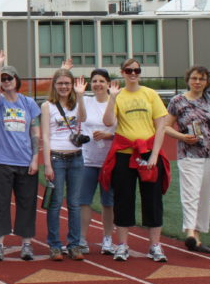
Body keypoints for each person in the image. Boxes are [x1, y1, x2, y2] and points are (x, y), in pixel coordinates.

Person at [165, 22, 210, 253]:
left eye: (202, 79)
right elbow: (165, 128)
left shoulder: (209, 96)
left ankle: (199, 236)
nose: (198, 82)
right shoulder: (178, 101)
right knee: (190, 194)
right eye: (194, 78)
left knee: (205, 195)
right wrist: (183, 137)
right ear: (188, 79)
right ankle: (190, 233)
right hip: (190, 154)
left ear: (206, 81)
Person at [101, 59, 170, 262]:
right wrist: (112, 98)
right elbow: (108, 122)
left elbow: (160, 126)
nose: (133, 73)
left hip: (148, 153)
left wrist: (155, 154)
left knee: (153, 199)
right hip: (124, 154)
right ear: (122, 72)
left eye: (136, 70)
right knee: (123, 199)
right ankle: (122, 245)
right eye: (129, 70)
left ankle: (155, 246)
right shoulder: (117, 95)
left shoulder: (150, 94)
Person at [0, 52, 39, 261]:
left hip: (24, 161)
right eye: (3, 79)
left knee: (27, 203)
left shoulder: (28, 103)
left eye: (10, 78)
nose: (6, 81)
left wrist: (35, 158)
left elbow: (35, 132)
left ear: (17, 80)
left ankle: (26, 244)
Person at [41, 69, 85, 261]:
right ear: (54, 85)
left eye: (67, 83)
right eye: (60, 83)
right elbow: (45, 136)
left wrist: (80, 96)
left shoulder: (77, 104)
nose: (64, 87)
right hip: (57, 158)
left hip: (76, 158)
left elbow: (83, 118)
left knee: (74, 203)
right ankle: (55, 245)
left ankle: (74, 245)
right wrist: (47, 164)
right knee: (56, 203)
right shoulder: (47, 106)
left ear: (72, 85)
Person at [78, 68, 117, 255]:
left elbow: (124, 130)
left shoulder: (116, 102)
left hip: (109, 161)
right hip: (87, 159)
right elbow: (80, 119)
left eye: (101, 81)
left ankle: (107, 239)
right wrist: (79, 96)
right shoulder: (86, 101)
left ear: (108, 83)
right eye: (94, 81)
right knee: (84, 201)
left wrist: (109, 136)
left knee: (108, 202)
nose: (98, 84)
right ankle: (81, 239)